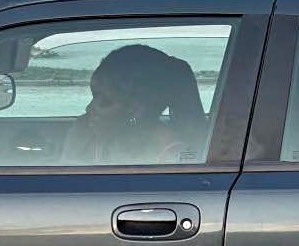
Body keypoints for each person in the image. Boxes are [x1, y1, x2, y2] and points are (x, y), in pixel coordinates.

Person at [63, 44, 208, 164]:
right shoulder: (84, 132)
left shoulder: (172, 152)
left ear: (136, 110)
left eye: (105, 101)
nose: (89, 108)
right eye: (93, 96)